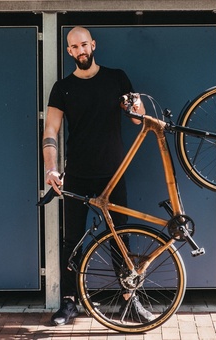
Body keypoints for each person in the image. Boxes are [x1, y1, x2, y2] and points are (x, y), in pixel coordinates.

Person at [42, 26, 153, 326]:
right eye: (74, 47)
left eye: (84, 45)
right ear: (68, 52)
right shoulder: (63, 88)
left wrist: (137, 104)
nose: (80, 51)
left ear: (93, 45)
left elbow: (136, 118)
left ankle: (130, 301)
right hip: (76, 173)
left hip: (112, 174)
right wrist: (51, 167)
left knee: (121, 238)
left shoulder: (116, 77)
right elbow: (51, 131)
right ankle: (69, 303)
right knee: (72, 241)